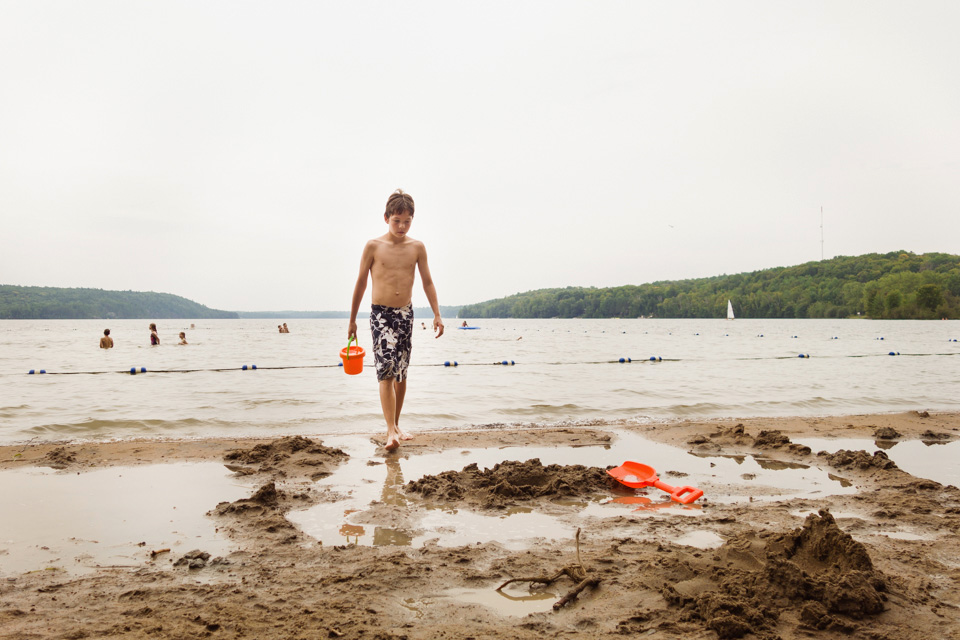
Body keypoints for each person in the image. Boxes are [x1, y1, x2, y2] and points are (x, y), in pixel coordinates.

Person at [349, 189, 444, 452]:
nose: (401, 226)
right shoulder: (373, 246)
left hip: (406, 314)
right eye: (396, 221)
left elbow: (427, 282)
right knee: (386, 372)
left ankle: (397, 425)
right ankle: (389, 431)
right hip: (381, 314)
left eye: (407, 221)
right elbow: (360, 283)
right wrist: (352, 320)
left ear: (412, 220)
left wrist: (437, 314)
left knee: (401, 373)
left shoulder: (417, 248)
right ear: (386, 218)